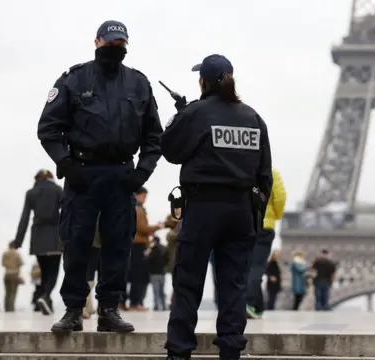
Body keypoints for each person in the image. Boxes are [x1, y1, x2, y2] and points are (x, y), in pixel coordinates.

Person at [37, 20, 163, 333]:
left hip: (122, 175)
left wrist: (141, 174)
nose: (115, 48)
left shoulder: (139, 83)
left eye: (120, 43)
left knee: (119, 243)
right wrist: (65, 165)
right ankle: (73, 310)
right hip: (82, 173)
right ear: (96, 42)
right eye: (110, 42)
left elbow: (154, 138)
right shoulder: (74, 79)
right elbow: (49, 129)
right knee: (76, 241)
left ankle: (109, 309)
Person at [160, 54, 272, 360]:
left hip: (203, 207)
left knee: (188, 282)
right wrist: (254, 217)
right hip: (240, 211)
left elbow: (169, 149)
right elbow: (265, 176)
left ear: (203, 81)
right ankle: (231, 348)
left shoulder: (197, 113)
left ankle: (180, 350)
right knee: (233, 284)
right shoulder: (253, 118)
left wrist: (180, 116)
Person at [12, 169, 63, 315]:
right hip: (55, 236)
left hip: (38, 237)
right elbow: (67, 210)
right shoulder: (58, 190)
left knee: (45, 271)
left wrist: (18, 240)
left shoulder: (31, 193)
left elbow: (25, 217)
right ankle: (46, 296)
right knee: (53, 272)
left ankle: (47, 300)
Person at [246, 168, 286, 319]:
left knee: (245, 266)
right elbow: (280, 197)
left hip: (242, 224)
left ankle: (257, 307)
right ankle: (248, 302)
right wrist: (276, 215)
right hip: (264, 225)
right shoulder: (271, 172)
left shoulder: (241, 169)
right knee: (257, 267)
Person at [125, 187, 163, 311]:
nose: (144, 199)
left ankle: (132, 301)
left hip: (135, 245)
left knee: (134, 274)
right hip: (138, 246)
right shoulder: (138, 209)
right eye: (144, 196)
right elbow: (142, 228)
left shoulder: (135, 208)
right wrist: (157, 226)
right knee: (138, 275)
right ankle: (135, 302)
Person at [84, 216, 102, 319]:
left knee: (89, 275)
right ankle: (86, 306)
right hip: (96, 240)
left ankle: (88, 306)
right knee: (91, 276)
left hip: (91, 239)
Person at [147, 236, 169, 311]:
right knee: (162, 291)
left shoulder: (153, 250)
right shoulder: (164, 249)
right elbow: (167, 259)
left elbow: (148, 260)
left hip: (154, 273)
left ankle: (156, 306)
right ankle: (164, 306)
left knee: (156, 291)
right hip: (162, 273)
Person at [2, 241, 24, 312]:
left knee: (7, 293)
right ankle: (11, 309)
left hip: (7, 274)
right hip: (14, 275)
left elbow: (3, 263)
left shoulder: (5, 253)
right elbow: (21, 263)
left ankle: (6, 308)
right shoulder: (17, 254)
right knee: (13, 293)